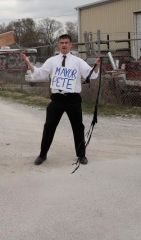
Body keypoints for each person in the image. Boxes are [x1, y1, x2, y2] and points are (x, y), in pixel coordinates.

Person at [21, 34, 101, 166]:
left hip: (73, 99)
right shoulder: (52, 61)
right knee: (49, 127)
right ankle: (42, 154)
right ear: (58, 45)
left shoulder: (77, 61)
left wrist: (96, 65)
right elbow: (40, 73)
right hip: (57, 99)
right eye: (61, 43)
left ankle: (81, 155)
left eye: (66, 43)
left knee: (78, 127)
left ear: (70, 45)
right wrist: (28, 63)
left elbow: (90, 74)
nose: (64, 45)